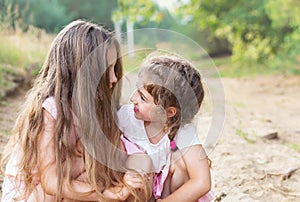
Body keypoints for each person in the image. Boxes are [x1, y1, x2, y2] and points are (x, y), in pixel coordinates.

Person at [0, 19, 148, 201]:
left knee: (116, 177)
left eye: (114, 68)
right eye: (106, 70)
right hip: (34, 193)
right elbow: (51, 181)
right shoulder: (52, 108)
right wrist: (107, 194)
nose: (114, 78)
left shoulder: (98, 108)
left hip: (71, 180)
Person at [117, 54, 215, 201]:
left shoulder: (182, 131)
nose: (133, 99)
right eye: (137, 90)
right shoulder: (126, 117)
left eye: (143, 98)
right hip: (135, 189)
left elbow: (202, 182)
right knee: (138, 161)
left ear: (169, 112)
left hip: (166, 194)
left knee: (182, 165)